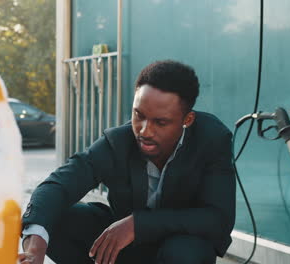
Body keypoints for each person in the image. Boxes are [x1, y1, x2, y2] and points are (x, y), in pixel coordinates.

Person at [18, 60, 236, 264]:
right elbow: (59, 185)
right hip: (126, 249)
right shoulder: (119, 141)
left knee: (186, 253)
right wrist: (35, 245)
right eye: (138, 115)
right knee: (58, 220)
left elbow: (217, 218)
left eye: (160, 122)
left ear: (187, 120)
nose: (144, 131)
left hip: (180, 246)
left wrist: (138, 224)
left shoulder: (212, 140)